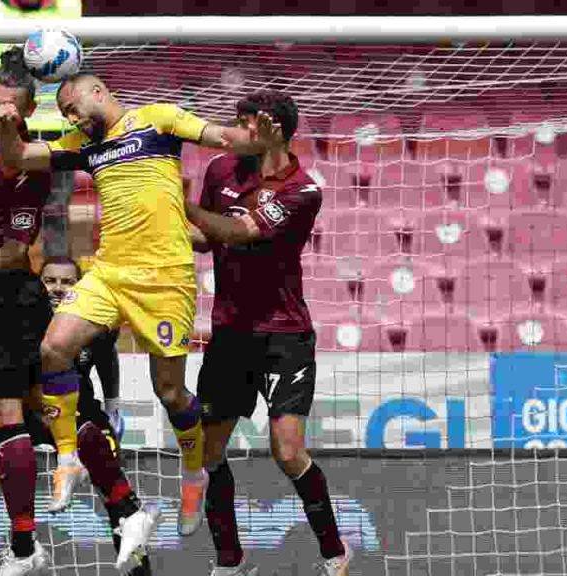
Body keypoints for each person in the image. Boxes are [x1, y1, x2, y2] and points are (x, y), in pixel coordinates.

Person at [0, 49, 156, 575]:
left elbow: (17, 252)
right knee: (62, 410)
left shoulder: (28, 164)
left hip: (5, 296)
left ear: (26, 111)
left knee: (8, 415)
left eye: (9, 110)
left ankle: (24, 548)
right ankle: (126, 511)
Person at [0, 73, 277, 536]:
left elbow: (225, 137)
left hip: (165, 279)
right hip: (109, 272)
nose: (69, 116)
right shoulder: (84, 143)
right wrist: (6, 126)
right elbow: (19, 156)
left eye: (71, 105)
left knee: (170, 393)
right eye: (63, 112)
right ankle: (67, 458)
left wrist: (256, 140)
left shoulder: (157, 120)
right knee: (53, 349)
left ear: (98, 91)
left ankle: (192, 473)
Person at [183, 90, 351, 576]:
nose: (233, 131)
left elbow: (240, 232)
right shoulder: (220, 170)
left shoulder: (303, 190)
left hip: (284, 337)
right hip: (230, 334)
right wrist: (169, 227)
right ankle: (230, 563)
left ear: (273, 127)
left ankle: (334, 552)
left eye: (243, 123)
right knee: (209, 451)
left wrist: (183, 205)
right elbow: (209, 235)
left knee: (287, 450)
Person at [0, 256, 150, 575]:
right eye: (50, 280)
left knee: (114, 492)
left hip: (73, 412)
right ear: (38, 285)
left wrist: (112, 405)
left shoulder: (92, 321)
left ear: (79, 287)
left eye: (68, 282)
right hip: (15, 412)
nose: (58, 288)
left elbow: (107, 361)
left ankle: (140, 568)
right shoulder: (15, 317)